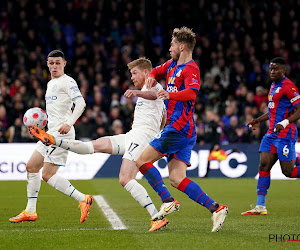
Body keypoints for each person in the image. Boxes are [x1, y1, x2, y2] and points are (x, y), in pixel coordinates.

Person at [29, 58, 168, 232]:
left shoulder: (151, 84)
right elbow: (164, 116)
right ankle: (54, 140)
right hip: (132, 136)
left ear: (146, 72)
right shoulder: (146, 88)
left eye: (134, 73)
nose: (132, 77)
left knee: (125, 179)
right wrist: (158, 129)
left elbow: (155, 95)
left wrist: (137, 95)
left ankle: (156, 216)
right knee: (93, 146)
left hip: (141, 138)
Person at [135, 27, 228, 232]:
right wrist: (150, 76)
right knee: (177, 179)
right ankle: (216, 207)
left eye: (172, 45)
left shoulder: (191, 69)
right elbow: (156, 70)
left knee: (141, 161)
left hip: (178, 127)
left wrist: (170, 95)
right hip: (184, 130)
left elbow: (191, 94)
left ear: (182, 46)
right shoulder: (171, 65)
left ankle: (167, 201)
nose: (169, 48)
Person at [9, 50, 93, 223]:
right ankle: (30, 211)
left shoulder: (68, 81)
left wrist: (69, 122)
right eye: (51, 63)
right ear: (47, 64)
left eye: (57, 63)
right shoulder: (50, 84)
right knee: (31, 167)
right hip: (50, 132)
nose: (54, 66)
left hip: (63, 133)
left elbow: (81, 103)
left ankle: (83, 199)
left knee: (47, 174)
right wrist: (41, 130)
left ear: (64, 64)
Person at [242, 57, 300, 215]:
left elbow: (299, 110)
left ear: (284, 70)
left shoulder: (289, 87)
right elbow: (273, 110)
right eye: (271, 69)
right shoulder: (274, 85)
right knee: (264, 165)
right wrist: (258, 120)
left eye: (276, 69)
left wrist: (286, 122)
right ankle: (260, 206)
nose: (272, 72)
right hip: (271, 134)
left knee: (288, 172)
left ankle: (260, 206)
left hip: (285, 134)